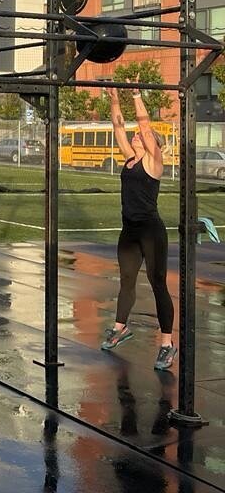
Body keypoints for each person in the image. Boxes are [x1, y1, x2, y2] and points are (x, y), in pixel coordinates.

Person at [101, 84, 176, 370]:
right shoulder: (130, 159)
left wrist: (135, 96)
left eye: (141, 137)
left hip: (150, 231)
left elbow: (144, 126)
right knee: (126, 281)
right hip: (130, 231)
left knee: (158, 283)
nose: (135, 136)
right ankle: (120, 328)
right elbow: (118, 126)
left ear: (150, 143)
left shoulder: (153, 162)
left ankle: (167, 344)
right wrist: (115, 100)